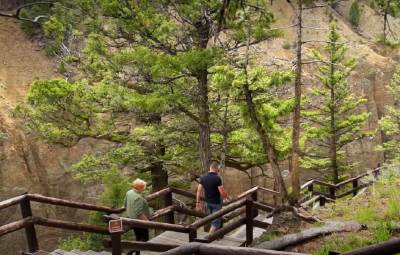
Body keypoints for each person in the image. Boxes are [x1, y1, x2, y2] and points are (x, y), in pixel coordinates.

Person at [196, 161, 228, 233]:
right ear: (216, 169)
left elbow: (198, 191)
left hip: (208, 203)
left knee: (213, 219)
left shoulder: (203, 177)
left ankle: (216, 237)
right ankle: (207, 239)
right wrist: (226, 197)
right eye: (218, 169)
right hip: (216, 204)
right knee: (215, 224)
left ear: (210, 168)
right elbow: (222, 192)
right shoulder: (217, 178)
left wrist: (197, 202)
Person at [124, 178, 153, 255]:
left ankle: (137, 254)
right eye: (143, 187)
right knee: (145, 239)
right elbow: (139, 213)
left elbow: (125, 204)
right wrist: (148, 222)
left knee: (138, 238)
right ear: (140, 187)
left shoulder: (129, 192)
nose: (144, 189)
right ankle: (130, 252)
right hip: (139, 221)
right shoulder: (138, 198)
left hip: (131, 219)